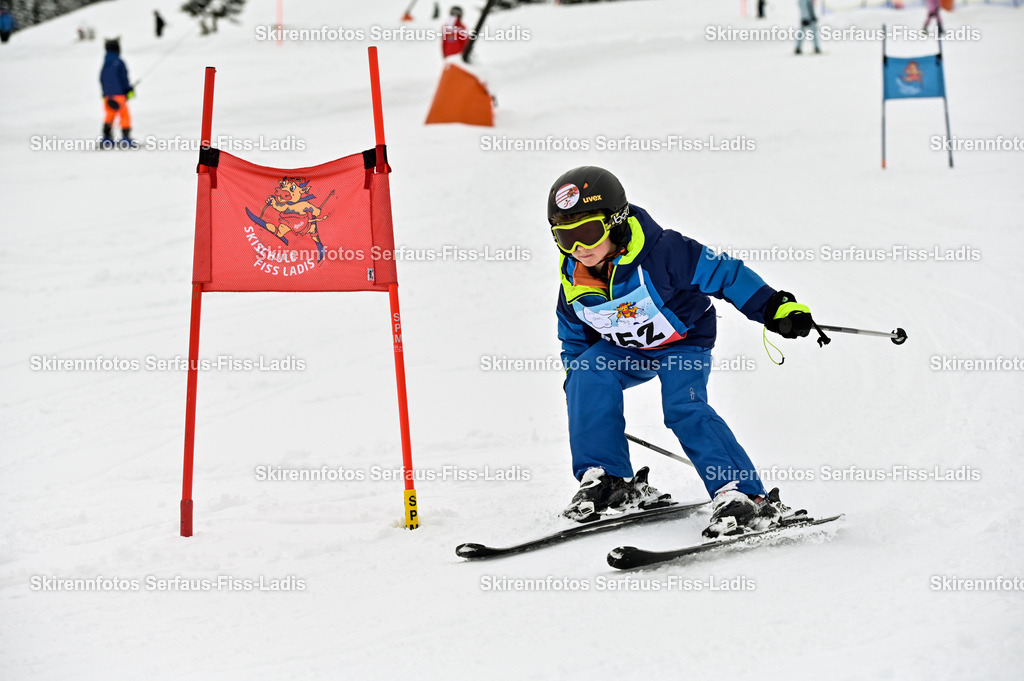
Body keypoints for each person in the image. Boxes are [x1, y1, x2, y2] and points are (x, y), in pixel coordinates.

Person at [549, 167, 815, 537]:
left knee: (683, 407)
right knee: (587, 373)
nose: (579, 248)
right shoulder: (574, 278)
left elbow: (726, 275)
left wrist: (775, 307)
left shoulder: (665, 251)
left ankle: (742, 494)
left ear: (616, 222)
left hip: (683, 343)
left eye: (589, 232)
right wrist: (575, 381)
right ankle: (608, 480)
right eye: (566, 238)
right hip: (628, 351)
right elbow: (574, 335)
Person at [99, 38, 136, 148]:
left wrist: (105, 93)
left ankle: (107, 137)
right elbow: (124, 78)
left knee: (110, 115)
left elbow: (101, 79)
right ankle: (126, 137)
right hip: (119, 95)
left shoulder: (105, 63)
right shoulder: (119, 62)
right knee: (124, 115)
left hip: (107, 96)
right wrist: (128, 90)